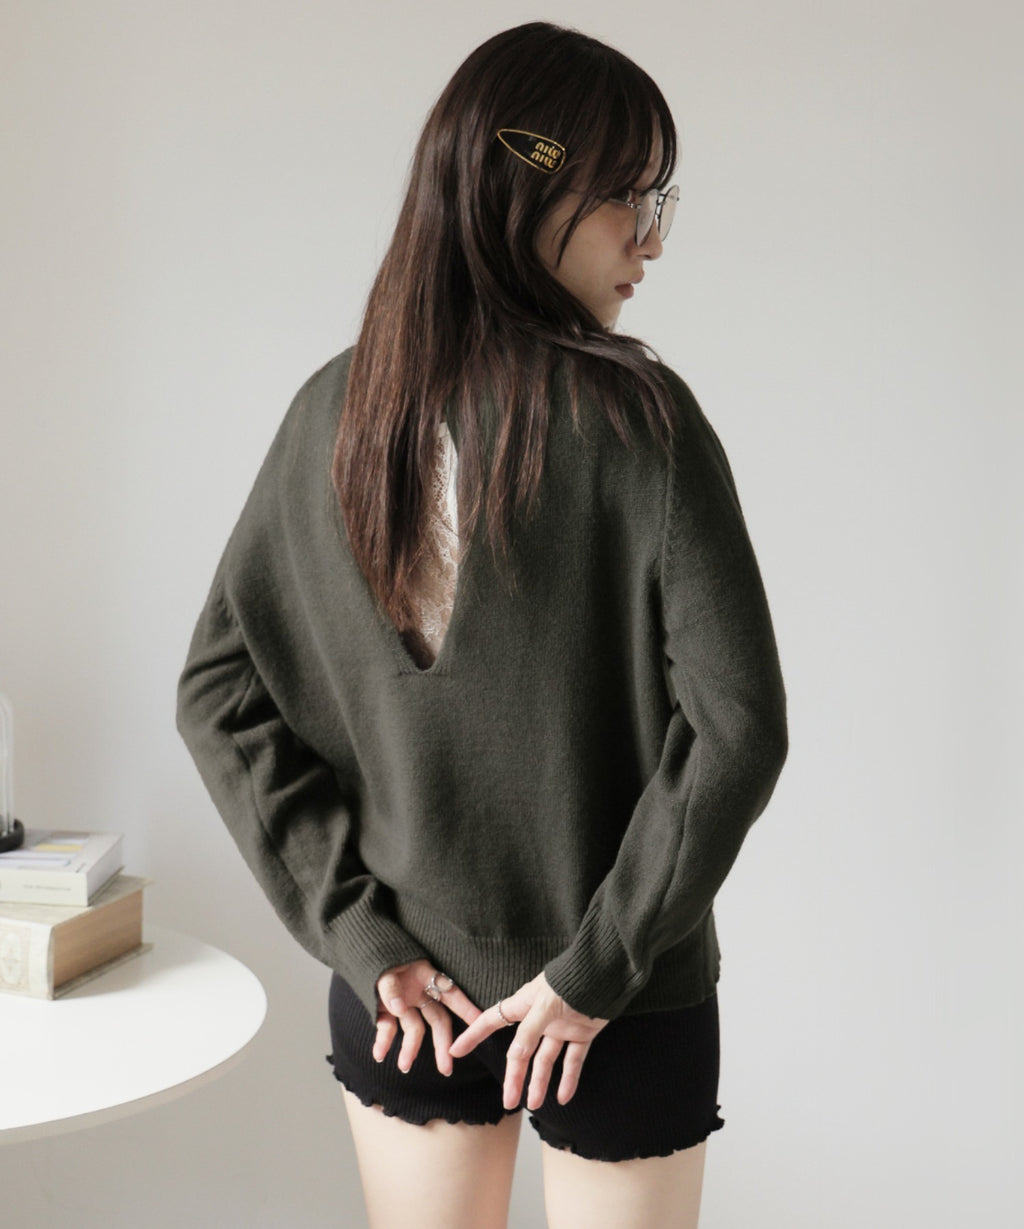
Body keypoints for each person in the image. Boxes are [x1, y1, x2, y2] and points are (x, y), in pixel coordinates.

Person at [176, 21, 787, 1229]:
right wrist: (594, 968)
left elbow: (217, 695)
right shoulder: (641, 420)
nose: (650, 240)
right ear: (528, 186)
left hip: (410, 992)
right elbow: (740, 727)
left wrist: (361, 934)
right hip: (618, 998)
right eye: (626, 197)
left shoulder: (332, 412)